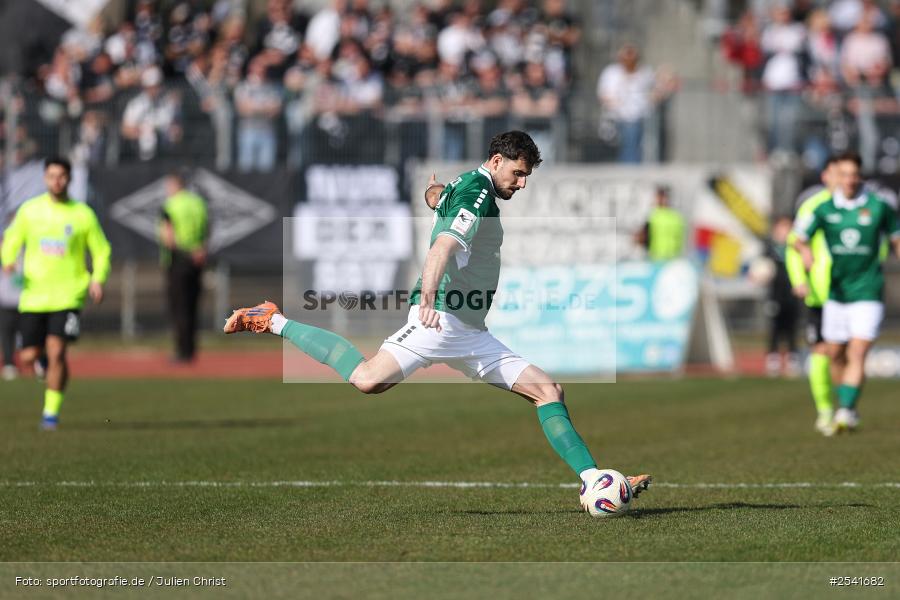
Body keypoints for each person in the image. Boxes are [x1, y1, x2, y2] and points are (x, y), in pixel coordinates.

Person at [224, 131, 651, 510]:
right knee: (367, 379)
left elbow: (443, 201)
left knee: (548, 390)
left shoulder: (467, 186)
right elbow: (442, 246)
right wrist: (428, 297)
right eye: (518, 174)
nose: (521, 185)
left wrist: (434, 196)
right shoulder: (477, 195)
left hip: (470, 331)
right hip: (440, 321)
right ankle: (271, 320)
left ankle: (595, 479)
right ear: (497, 161)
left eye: (527, 178)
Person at [0, 158, 111, 430]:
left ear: (69, 179)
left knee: (58, 350)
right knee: (27, 356)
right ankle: (42, 361)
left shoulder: (82, 214)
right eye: (51, 176)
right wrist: (8, 258)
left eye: (61, 176)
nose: (56, 181)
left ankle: (50, 414)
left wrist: (97, 279)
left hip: (68, 294)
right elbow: (12, 239)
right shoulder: (30, 211)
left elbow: (101, 250)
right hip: (34, 296)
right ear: (45, 178)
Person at [793, 152, 900, 433]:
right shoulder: (823, 209)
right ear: (836, 178)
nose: (850, 180)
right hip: (836, 294)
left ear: (860, 176)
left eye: (854, 174)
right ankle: (845, 404)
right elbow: (799, 238)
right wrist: (804, 253)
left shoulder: (879, 207)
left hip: (868, 291)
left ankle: (846, 410)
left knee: (858, 350)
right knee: (835, 354)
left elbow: (896, 236)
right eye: (844, 174)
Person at [785, 157, 838, 435]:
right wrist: (799, 279)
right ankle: (825, 410)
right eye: (836, 173)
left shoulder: (864, 207)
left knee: (847, 351)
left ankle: (847, 407)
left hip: (852, 290)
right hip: (820, 291)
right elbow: (794, 245)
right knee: (820, 350)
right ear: (826, 176)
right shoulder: (813, 207)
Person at [160, 172, 208, 363]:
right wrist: (200, 250)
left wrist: (186, 252)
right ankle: (191, 348)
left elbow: (169, 238)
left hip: (178, 260)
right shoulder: (198, 203)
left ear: (174, 185)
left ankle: (182, 351)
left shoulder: (171, 205)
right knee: (192, 305)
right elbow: (207, 227)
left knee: (178, 307)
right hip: (197, 259)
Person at [763, 216, 800, 377]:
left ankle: (792, 357)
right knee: (775, 326)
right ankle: (773, 358)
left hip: (792, 293)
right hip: (775, 295)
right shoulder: (769, 249)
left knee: (792, 326)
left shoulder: (795, 248)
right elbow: (761, 268)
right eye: (782, 228)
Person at [635, 185, 685, 261]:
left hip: (667, 258)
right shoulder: (653, 215)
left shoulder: (656, 216)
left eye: (661, 197)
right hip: (661, 257)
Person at [0, 216, 21, 380]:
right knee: (7, 332)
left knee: (33, 333)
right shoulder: (3, 245)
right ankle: (9, 363)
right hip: (6, 298)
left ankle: (39, 363)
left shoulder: (32, 244)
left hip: (29, 298)